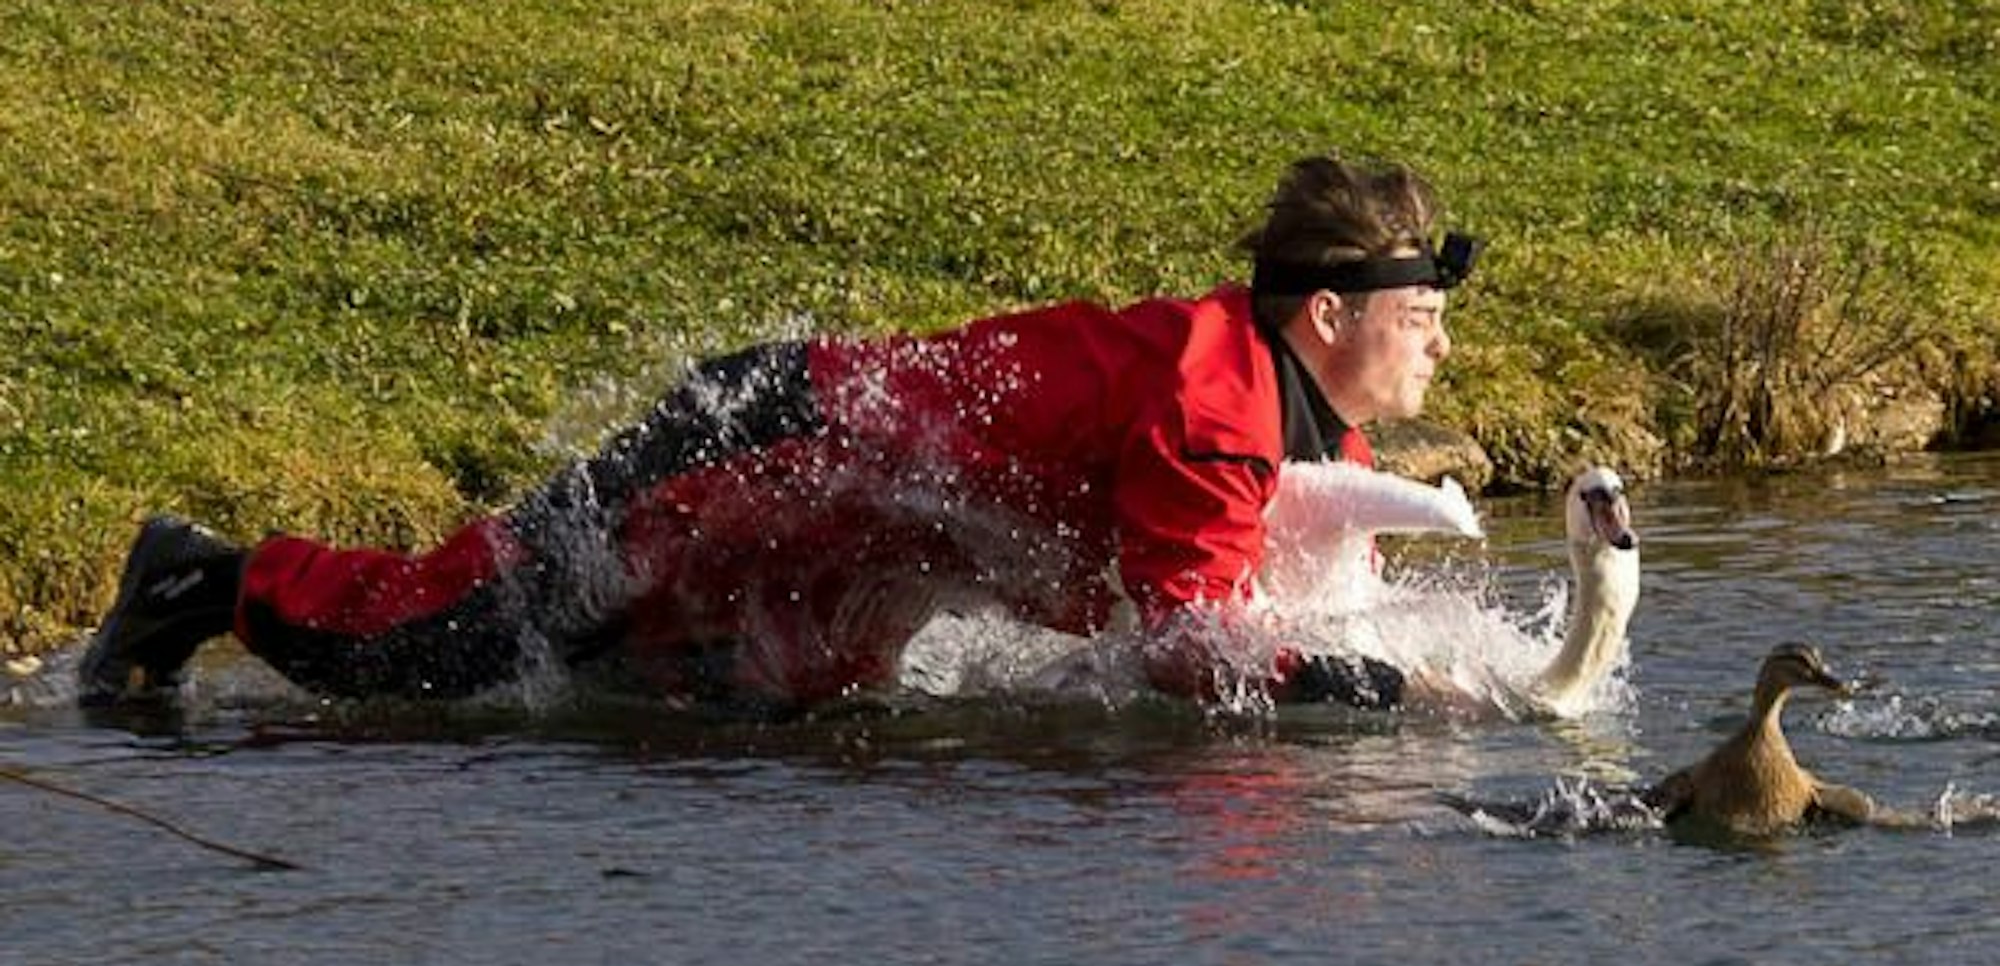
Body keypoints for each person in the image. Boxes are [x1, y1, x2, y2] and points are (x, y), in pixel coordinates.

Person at [77, 152, 1476, 710]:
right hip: (760, 453)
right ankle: (203, 580)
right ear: (1328, 316)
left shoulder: (1299, 425)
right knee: (444, 645)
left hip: (836, 545)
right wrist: (1340, 686)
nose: (1443, 345)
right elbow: (1186, 640)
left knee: (710, 720)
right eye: (1422, 317)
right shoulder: (1213, 398)